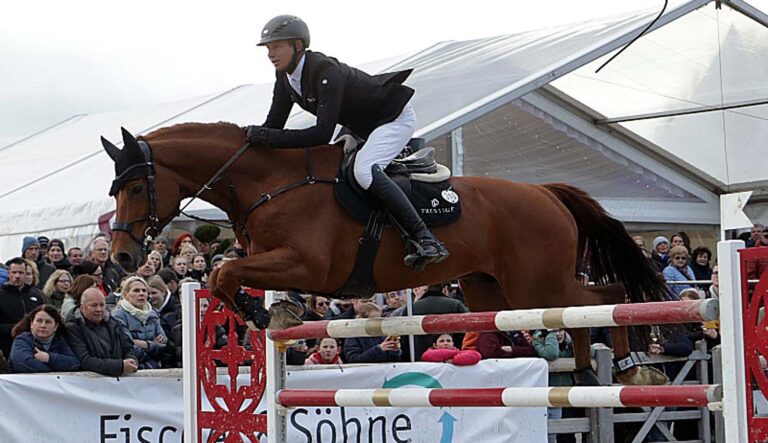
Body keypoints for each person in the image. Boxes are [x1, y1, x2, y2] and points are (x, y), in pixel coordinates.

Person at [246, 15, 448, 271]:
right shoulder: (285, 78)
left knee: (363, 171)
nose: (270, 54)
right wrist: (245, 141)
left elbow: (321, 134)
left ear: (298, 45)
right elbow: (273, 125)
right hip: (362, 125)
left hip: (392, 118)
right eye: (268, 48)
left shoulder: (324, 71)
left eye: (276, 47)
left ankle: (425, 238)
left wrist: (264, 136)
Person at [66, 287, 138, 376]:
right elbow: (84, 361)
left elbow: (128, 347)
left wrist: (131, 361)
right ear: (82, 307)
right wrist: (120, 366)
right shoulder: (73, 328)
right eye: (94, 305)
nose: (99, 309)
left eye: (102, 305)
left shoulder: (115, 323)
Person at [112, 277, 168, 369]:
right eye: (136, 291)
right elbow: (127, 347)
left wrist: (143, 344)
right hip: (134, 369)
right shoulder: (118, 316)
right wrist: (152, 346)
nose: (141, 294)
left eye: (144, 291)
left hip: (155, 369)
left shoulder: (153, 314)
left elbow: (163, 346)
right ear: (126, 294)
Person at [7, 305, 80, 373]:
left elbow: (74, 364)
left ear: (56, 326)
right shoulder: (22, 340)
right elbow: (24, 364)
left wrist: (48, 358)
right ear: (32, 324)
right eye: (39, 321)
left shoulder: (60, 341)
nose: (43, 325)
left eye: (48, 322)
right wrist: (55, 370)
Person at [408, 282, 468, 361]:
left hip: (419, 359)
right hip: (452, 359)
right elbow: (468, 328)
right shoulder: (456, 305)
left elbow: (404, 338)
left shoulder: (412, 308)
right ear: (445, 289)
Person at [0, 257, 46, 358]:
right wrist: (16, 328)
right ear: (9, 274)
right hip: (8, 347)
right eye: (14, 272)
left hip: (36, 347)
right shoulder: (1, 295)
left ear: (26, 274)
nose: (17, 276)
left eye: (20, 272)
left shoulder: (37, 296)